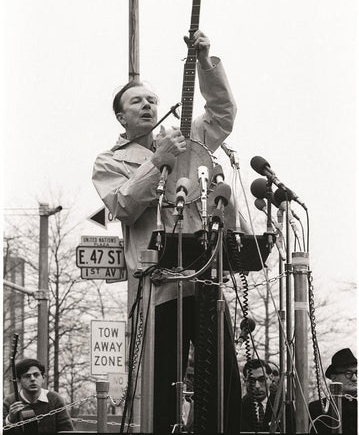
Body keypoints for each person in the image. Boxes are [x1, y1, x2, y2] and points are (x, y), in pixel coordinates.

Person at [92, 30, 242, 433]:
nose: (148, 105)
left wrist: (206, 63)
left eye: (152, 100)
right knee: (161, 392)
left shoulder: (186, 142)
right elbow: (123, 205)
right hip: (158, 288)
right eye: (136, 101)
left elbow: (223, 115)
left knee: (224, 387)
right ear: (121, 117)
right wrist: (156, 162)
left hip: (202, 279)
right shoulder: (110, 161)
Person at [3, 358, 74, 434]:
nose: (32, 379)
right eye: (27, 376)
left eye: (36, 375)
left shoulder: (55, 400)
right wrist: (10, 420)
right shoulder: (9, 402)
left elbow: (67, 431)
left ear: (43, 377)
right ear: (19, 380)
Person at [309, 348, 357, 434]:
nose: (355, 378)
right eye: (348, 374)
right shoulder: (316, 409)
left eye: (357, 373)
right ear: (334, 378)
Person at [240, 358, 280, 432]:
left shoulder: (282, 404)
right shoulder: (239, 408)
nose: (257, 386)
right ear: (245, 382)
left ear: (271, 377)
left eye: (262, 379)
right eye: (252, 381)